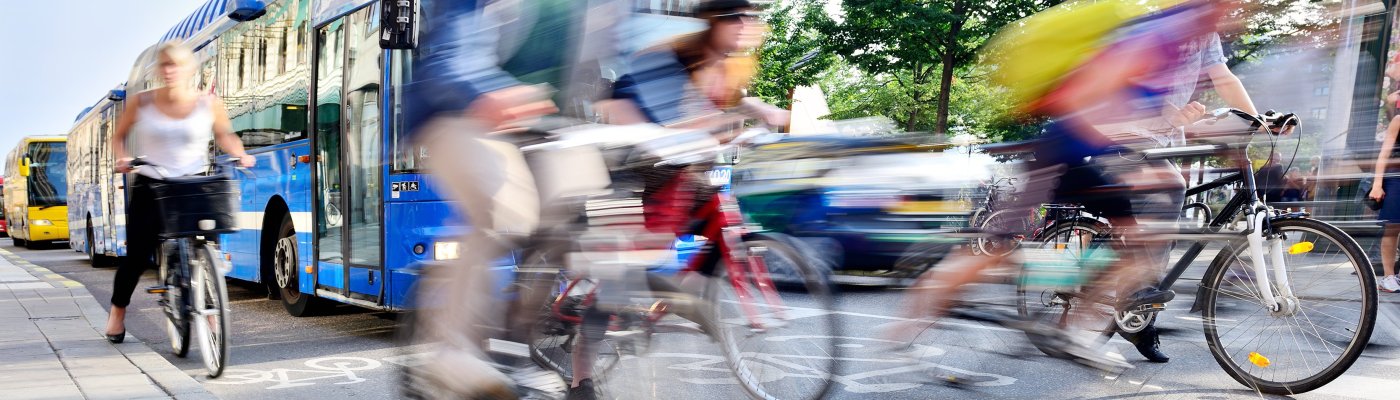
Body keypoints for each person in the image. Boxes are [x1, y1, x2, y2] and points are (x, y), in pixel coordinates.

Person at [398, 1, 628, 399]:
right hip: (456, 114)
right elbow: (451, 55)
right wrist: (488, 93)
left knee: (593, 205)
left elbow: (626, 66)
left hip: (540, 126)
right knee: (503, 212)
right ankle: (451, 353)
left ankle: (517, 345)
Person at [104, 42, 256, 344]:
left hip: (194, 185)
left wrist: (240, 154)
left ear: (190, 69)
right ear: (159, 70)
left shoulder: (208, 102)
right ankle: (117, 312)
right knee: (136, 256)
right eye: (164, 65)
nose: (170, 70)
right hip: (152, 184)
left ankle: (210, 310)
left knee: (207, 246)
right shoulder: (142, 102)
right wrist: (122, 158)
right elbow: (118, 136)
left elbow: (224, 134)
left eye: (176, 65)